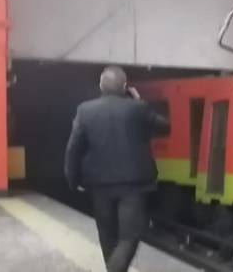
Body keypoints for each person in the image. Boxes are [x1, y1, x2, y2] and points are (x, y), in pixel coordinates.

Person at [64, 66, 169, 272]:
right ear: (125, 87)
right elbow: (165, 127)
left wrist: (72, 180)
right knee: (129, 238)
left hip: (100, 187)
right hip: (134, 186)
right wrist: (139, 102)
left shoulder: (85, 110)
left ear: (101, 86)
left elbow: (73, 148)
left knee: (107, 236)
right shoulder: (138, 108)